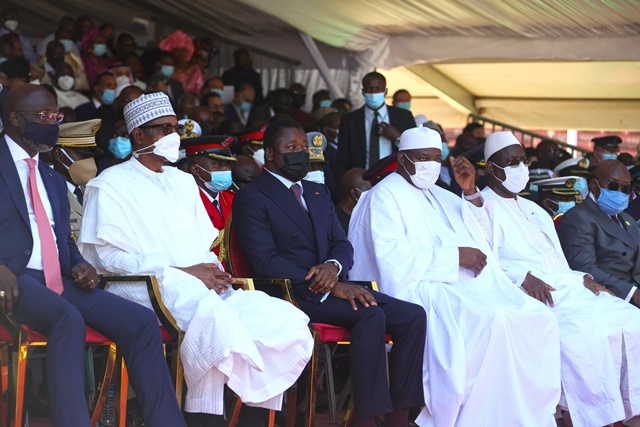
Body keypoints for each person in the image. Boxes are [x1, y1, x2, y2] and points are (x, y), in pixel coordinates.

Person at [78, 93, 313, 426]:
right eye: (162, 129)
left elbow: (201, 247)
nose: (172, 136)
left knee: (282, 317)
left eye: (174, 128)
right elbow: (106, 258)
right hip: (142, 284)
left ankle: (252, 415)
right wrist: (182, 271)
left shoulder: (183, 182)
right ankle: (204, 413)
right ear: (139, 136)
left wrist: (214, 272)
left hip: (195, 283)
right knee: (218, 319)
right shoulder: (109, 184)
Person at [348, 126, 562, 427]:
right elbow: (392, 261)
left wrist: (471, 192)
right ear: (402, 158)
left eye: (436, 158)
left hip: (464, 283)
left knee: (535, 317)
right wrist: (454, 257)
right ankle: (476, 416)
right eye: (422, 158)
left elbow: (486, 239)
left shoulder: (441, 193)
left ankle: (521, 414)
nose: (430, 165)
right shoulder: (384, 196)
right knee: (494, 319)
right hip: (420, 289)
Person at [0, 81, 186, 427]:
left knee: (141, 322)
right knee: (66, 319)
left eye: (54, 114)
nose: (53, 122)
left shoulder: (51, 178)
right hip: (13, 279)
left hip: (58, 279)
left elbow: (62, 239)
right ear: (14, 119)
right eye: (43, 115)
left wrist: (81, 265)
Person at [233, 119, 426, 427]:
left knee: (414, 316)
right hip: (291, 292)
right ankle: (365, 418)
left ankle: (398, 418)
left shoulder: (317, 191)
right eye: (291, 148)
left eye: (304, 147)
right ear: (270, 154)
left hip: (333, 283)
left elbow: (341, 244)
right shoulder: (253, 196)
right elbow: (264, 261)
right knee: (369, 314)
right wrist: (327, 284)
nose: (301, 153)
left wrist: (334, 268)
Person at [481, 131, 640, 427]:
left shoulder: (534, 209)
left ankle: (628, 409)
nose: (520, 168)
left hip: (568, 284)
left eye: (522, 161)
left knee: (630, 318)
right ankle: (597, 417)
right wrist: (523, 277)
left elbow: (559, 261)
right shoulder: (479, 207)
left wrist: (584, 276)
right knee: (586, 331)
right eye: (511, 162)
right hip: (528, 291)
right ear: (492, 168)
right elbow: (483, 260)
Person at [558, 159, 640, 305]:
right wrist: (631, 292)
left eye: (626, 189)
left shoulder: (627, 219)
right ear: (594, 186)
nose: (620, 193)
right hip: (610, 295)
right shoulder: (578, 217)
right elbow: (584, 268)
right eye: (613, 186)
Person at [336, 71, 416, 181]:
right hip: (362, 181)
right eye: (369, 89)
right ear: (363, 92)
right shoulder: (350, 120)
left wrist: (398, 138)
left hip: (396, 180)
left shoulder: (403, 116)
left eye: (378, 89)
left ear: (385, 91)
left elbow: (415, 151)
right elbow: (342, 159)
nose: (373, 93)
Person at [49, 119, 102, 241]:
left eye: (91, 156)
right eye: (83, 156)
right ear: (59, 155)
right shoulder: (49, 192)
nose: (89, 162)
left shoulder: (91, 190)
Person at [184, 136, 237, 256]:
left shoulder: (233, 198)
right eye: (218, 164)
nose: (226, 169)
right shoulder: (185, 201)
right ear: (196, 170)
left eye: (227, 163)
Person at [158, 30, 203, 95]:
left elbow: (198, 90)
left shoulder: (194, 69)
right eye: (177, 50)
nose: (180, 54)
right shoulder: (167, 69)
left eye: (183, 50)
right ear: (172, 52)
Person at [335, 168, 370, 234]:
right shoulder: (334, 223)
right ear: (354, 193)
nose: (370, 196)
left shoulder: (367, 217)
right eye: (367, 192)